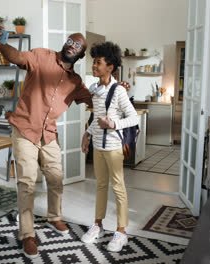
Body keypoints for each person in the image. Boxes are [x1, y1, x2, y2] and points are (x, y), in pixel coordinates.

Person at [0, 27, 129, 259]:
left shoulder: (76, 82)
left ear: (81, 55)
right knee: (26, 183)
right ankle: (27, 235)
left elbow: (98, 99)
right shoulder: (41, 56)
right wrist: (0, 44)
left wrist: (118, 89)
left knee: (56, 178)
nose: (70, 46)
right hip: (25, 129)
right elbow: (16, 56)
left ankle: (54, 217)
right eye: (69, 41)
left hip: (48, 134)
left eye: (76, 46)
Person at [80, 42, 138, 252]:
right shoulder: (95, 90)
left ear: (110, 67)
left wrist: (114, 124)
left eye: (98, 62)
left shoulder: (119, 91)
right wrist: (87, 133)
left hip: (113, 148)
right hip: (98, 146)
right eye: (94, 62)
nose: (94, 66)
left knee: (118, 188)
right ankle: (97, 226)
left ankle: (121, 232)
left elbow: (133, 118)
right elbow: (96, 118)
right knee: (100, 186)